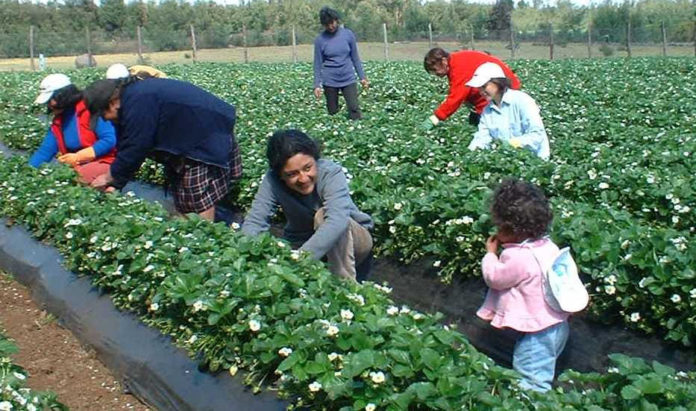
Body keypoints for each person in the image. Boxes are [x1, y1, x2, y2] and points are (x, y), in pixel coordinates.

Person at [82, 77, 241, 221]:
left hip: (205, 134)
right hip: (187, 136)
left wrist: (110, 176)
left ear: (112, 103)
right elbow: (127, 143)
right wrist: (117, 182)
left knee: (197, 196)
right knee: (182, 193)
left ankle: (205, 242)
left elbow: (136, 146)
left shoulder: (138, 101)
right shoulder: (130, 100)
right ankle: (187, 236)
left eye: (103, 115)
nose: (104, 120)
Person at [242, 129, 373, 281]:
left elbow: (337, 221)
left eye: (307, 168)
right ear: (280, 175)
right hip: (301, 241)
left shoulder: (330, 173)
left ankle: (344, 287)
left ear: (315, 158)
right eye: (292, 174)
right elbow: (256, 220)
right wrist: (245, 255)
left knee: (323, 216)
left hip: (352, 240)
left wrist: (300, 259)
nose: (303, 179)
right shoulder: (272, 180)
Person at [477, 179, 569, 392]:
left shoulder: (518, 257)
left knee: (532, 380)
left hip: (537, 331)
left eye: (499, 227)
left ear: (512, 230)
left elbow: (495, 278)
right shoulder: (548, 245)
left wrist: (490, 255)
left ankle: (532, 404)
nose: (496, 231)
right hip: (557, 323)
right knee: (543, 366)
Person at [29, 73, 117, 184]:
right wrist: (28, 173)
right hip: (79, 166)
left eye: (50, 100)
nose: (49, 106)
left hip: (107, 161)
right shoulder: (58, 121)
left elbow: (110, 140)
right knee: (63, 179)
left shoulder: (90, 109)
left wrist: (79, 157)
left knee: (74, 179)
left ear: (63, 96)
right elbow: (45, 151)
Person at [466, 62, 550, 159]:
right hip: (507, 159)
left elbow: (537, 135)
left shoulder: (522, 101)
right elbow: (482, 137)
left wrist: (509, 145)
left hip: (534, 160)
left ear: (497, 82)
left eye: (484, 86)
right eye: (479, 88)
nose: (481, 92)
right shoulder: (487, 111)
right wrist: (469, 155)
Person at [421, 48, 521, 129]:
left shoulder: (459, 66)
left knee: (494, 126)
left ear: (443, 61)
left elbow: (456, 97)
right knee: (477, 122)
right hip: (489, 93)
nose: (436, 74)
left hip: (503, 88)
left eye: (435, 69)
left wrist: (436, 118)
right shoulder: (454, 63)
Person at [313, 6, 368, 120]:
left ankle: (357, 131)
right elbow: (317, 64)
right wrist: (317, 85)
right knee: (333, 112)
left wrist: (362, 77)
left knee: (354, 108)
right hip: (330, 80)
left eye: (332, 23)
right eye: (327, 24)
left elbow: (355, 58)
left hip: (348, 77)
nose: (330, 26)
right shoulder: (320, 40)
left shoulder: (348, 35)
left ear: (336, 20)